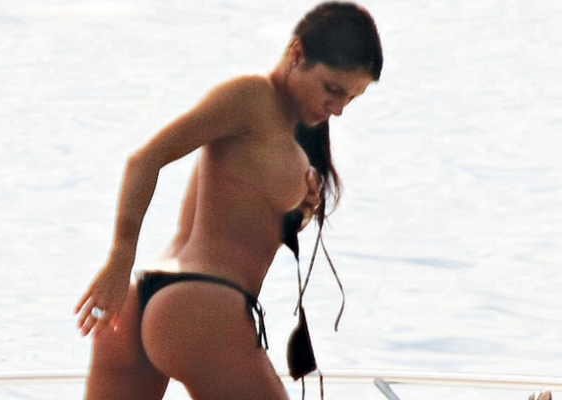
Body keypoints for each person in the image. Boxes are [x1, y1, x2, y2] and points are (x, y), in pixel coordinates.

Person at [74, 2, 383, 399]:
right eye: (332, 89)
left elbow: (247, 225)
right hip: (200, 307)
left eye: (352, 98)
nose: (337, 109)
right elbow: (146, 160)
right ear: (297, 53)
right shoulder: (252, 96)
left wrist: (304, 208)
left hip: (145, 301)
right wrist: (119, 260)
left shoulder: (281, 129)